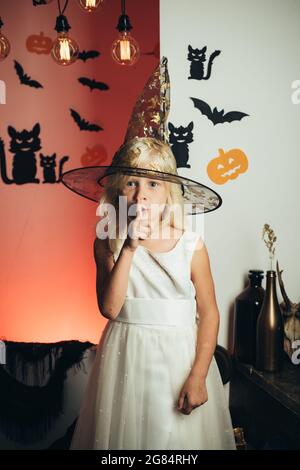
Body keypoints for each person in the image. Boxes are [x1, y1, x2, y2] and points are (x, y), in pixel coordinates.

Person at [62, 57, 236, 450]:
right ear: (118, 190)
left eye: (154, 184)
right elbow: (109, 308)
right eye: (132, 182)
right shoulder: (106, 240)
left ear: (169, 193)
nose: (142, 195)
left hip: (180, 358)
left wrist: (198, 374)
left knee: (178, 442)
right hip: (126, 358)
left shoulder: (191, 244)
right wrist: (129, 248)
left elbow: (208, 312)